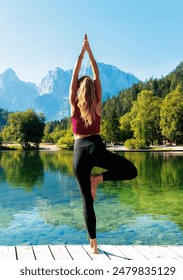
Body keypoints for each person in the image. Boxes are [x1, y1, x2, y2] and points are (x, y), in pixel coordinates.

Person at [69, 34, 138, 254]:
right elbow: (97, 75)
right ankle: (98, 179)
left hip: (80, 151)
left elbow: (74, 75)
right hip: (97, 147)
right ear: (93, 90)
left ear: (79, 90)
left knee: (86, 201)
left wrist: (81, 53)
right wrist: (91, 53)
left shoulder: (73, 104)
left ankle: (94, 245)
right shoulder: (98, 104)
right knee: (131, 171)